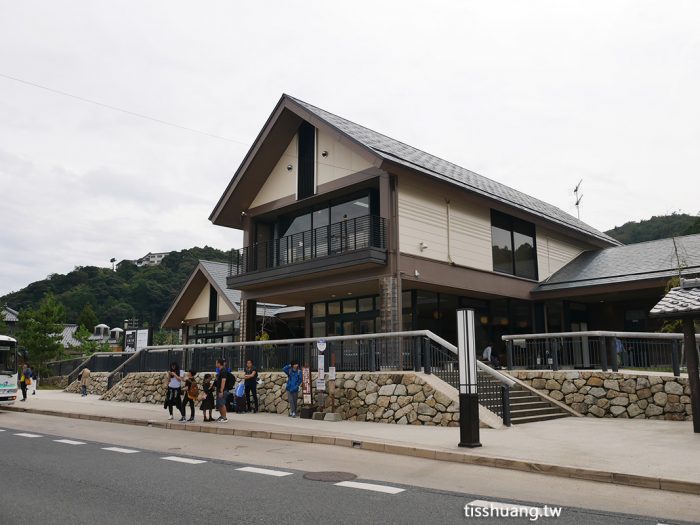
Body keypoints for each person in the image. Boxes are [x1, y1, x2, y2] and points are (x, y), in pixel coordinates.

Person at [214, 358, 233, 423]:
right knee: (219, 404)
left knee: (222, 404)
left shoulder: (224, 371)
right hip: (219, 389)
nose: (216, 364)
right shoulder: (220, 371)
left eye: (216, 363)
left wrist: (221, 391)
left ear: (219, 363)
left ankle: (224, 418)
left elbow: (223, 381)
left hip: (222, 390)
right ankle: (222, 416)